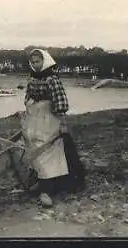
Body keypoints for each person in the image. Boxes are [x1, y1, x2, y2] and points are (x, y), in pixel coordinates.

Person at [22, 48, 86, 207]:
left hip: (49, 119)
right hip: (34, 119)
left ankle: (47, 189)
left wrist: (62, 122)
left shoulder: (52, 80)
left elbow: (61, 104)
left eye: (38, 61)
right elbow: (27, 98)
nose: (36, 65)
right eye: (33, 62)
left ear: (45, 61)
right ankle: (41, 180)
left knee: (48, 150)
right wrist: (30, 104)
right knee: (34, 147)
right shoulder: (32, 80)